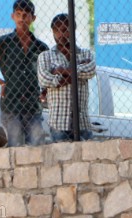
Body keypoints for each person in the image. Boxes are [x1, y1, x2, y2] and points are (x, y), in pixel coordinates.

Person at [0, 0, 49, 147]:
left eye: (26, 15)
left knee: (38, 146)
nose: (22, 19)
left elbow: (48, 73)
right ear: (12, 16)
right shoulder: (3, 43)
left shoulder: (41, 47)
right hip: (11, 104)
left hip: (33, 105)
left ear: (33, 18)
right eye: (18, 14)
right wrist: (1, 82)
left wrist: (44, 91)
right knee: (15, 147)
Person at [37, 13, 95, 142]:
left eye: (65, 30)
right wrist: (77, 72)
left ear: (73, 30)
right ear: (52, 32)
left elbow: (90, 71)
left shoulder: (85, 53)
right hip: (59, 122)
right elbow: (44, 79)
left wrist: (59, 71)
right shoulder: (45, 56)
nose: (61, 34)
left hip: (82, 121)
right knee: (62, 160)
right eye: (57, 30)